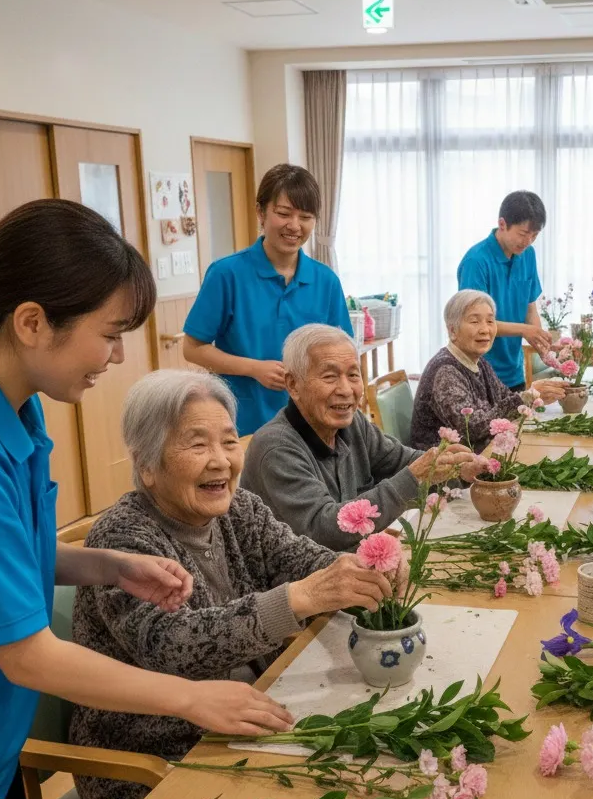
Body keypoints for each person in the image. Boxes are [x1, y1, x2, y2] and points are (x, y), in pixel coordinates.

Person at [0, 201, 292, 799]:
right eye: (109, 334)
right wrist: (190, 697)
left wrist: (103, 566)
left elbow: (11, 559)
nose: (116, 357)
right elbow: (28, 656)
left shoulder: (20, 417)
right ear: (30, 322)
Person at [70, 369, 397, 799]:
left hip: (246, 710)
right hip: (156, 753)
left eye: (228, 440)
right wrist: (301, 597)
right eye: (197, 443)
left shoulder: (237, 507)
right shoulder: (122, 538)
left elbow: (297, 557)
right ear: (146, 465)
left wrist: (355, 569)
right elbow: (172, 646)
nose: (221, 460)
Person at [242, 325, 479, 549]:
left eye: (354, 375)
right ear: (293, 385)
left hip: (352, 565)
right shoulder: (276, 449)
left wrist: (459, 471)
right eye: (330, 377)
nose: (346, 390)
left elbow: (401, 461)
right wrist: (415, 477)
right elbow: (323, 529)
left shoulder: (351, 423)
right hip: (301, 583)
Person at [182, 164, 352, 436]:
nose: (294, 226)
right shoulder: (227, 274)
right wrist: (253, 368)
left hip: (312, 425)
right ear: (261, 212)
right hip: (245, 423)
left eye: (305, 216)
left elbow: (345, 353)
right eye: (284, 213)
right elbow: (192, 348)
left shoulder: (326, 281)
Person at [410, 290, 566, 451]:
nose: (485, 329)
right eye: (474, 321)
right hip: (446, 467)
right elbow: (472, 428)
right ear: (452, 331)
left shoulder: (479, 362)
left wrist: (536, 395)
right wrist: (528, 397)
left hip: (480, 454)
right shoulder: (445, 371)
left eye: (490, 321)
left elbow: (505, 398)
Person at [457, 190, 552, 391]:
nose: (528, 242)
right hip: (480, 371)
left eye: (534, 236)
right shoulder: (476, 262)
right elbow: (477, 325)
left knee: (521, 423)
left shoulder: (528, 255)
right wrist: (526, 330)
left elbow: (530, 309)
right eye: (523, 234)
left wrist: (542, 345)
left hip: (514, 371)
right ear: (502, 224)